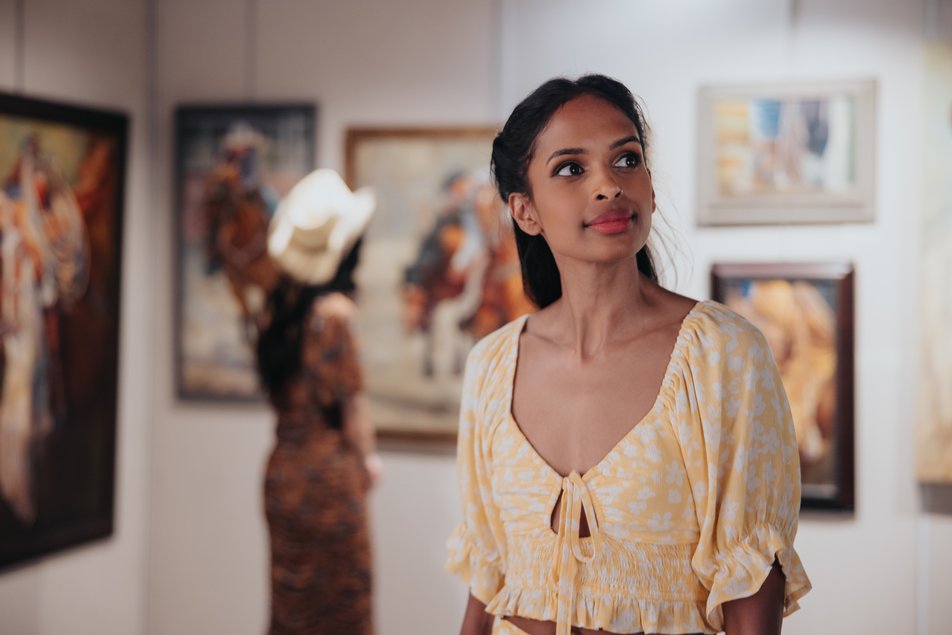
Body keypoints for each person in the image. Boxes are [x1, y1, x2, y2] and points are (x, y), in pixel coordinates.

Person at [446, 75, 811, 635]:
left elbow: (752, 590)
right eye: (572, 168)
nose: (608, 186)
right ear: (525, 211)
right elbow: (487, 582)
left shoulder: (721, 358)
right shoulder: (492, 366)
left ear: (651, 187)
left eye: (626, 160)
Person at [257, 168, 382, 635]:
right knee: (344, 610)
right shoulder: (334, 316)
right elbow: (350, 406)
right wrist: (368, 460)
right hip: (329, 479)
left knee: (290, 611)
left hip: (283, 475)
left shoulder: (279, 310)